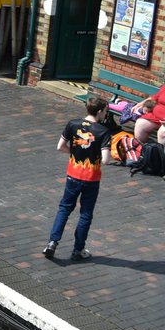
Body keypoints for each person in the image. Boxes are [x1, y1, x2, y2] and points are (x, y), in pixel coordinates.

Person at [43, 97, 114, 262]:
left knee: (64, 208)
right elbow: (105, 160)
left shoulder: (73, 124)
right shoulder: (103, 132)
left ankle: (52, 242)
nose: (106, 114)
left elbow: (60, 146)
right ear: (99, 111)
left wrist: (75, 153)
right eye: (105, 111)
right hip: (91, 178)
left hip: (73, 175)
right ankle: (78, 249)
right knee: (86, 214)